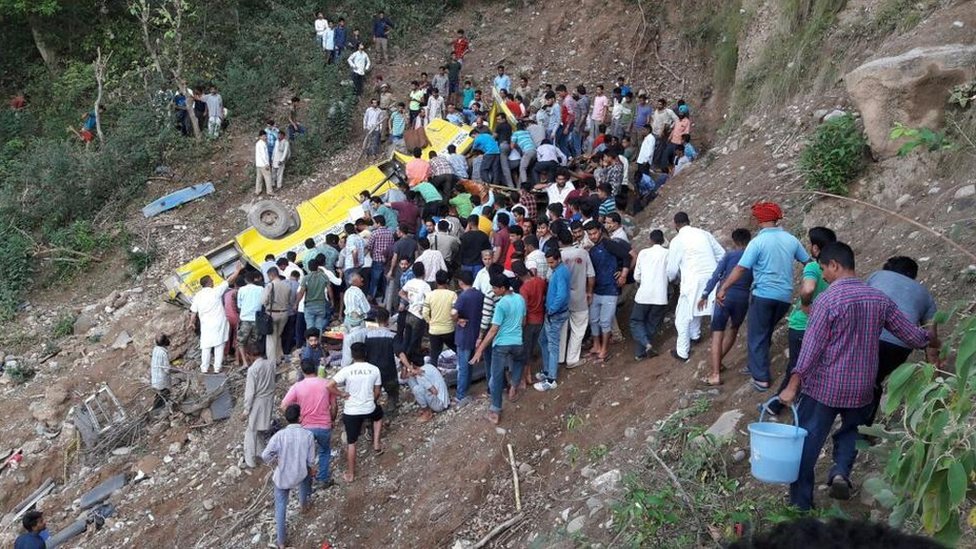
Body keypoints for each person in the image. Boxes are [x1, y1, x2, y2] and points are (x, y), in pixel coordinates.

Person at [777, 242, 939, 511]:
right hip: (862, 386)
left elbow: (811, 347)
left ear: (835, 265)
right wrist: (932, 339)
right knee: (852, 432)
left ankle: (800, 503)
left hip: (825, 387)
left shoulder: (827, 300)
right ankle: (840, 472)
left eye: (824, 269)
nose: (824, 276)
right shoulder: (878, 299)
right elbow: (912, 335)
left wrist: (793, 384)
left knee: (807, 442)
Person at [718, 202, 810, 391]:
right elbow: (807, 262)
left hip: (763, 295)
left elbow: (741, 268)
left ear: (760, 220)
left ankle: (761, 378)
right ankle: (754, 365)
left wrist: (724, 288)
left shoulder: (758, 242)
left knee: (756, 334)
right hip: (784, 297)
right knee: (765, 330)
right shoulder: (791, 240)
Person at [766, 227, 836, 412]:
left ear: (815, 248)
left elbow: (808, 288)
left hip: (801, 325)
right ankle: (786, 402)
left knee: (797, 366)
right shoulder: (835, 271)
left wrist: (806, 304)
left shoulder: (813, 267)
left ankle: (778, 404)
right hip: (820, 326)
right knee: (802, 366)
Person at [865, 256, 938, 423]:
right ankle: (863, 429)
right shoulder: (925, 294)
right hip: (899, 346)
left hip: (868, 337)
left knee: (863, 378)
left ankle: (854, 427)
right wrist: (934, 375)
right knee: (874, 380)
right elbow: (932, 338)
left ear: (888, 268)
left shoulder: (877, 276)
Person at [695, 228, 754, 386]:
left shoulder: (729, 256)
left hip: (724, 296)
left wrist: (705, 295)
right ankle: (719, 362)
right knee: (733, 330)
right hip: (743, 298)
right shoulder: (753, 257)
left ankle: (715, 373)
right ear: (750, 240)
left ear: (734, 241)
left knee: (717, 333)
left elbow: (716, 275)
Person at [666, 212, 724, 363]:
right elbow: (721, 254)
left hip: (692, 281)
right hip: (712, 279)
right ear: (689, 221)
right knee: (705, 308)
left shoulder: (677, 241)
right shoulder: (704, 234)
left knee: (682, 317)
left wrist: (673, 278)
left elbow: (671, 270)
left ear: (675, 225)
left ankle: (682, 352)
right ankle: (696, 335)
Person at [471, 274, 526, 424]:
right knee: (519, 362)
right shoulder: (520, 299)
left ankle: (495, 411)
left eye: (495, 288)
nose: (493, 291)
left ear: (502, 288)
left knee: (496, 377)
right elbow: (523, 321)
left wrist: (480, 349)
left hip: (501, 344)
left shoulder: (501, 304)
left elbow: (493, 329)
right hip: (518, 342)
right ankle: (514, 387)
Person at [327, 342, 384, 482]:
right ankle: (376, 443)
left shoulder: (347, 370)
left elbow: (329, 385)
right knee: (379, 415)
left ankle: (351, 474)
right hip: (369, 408)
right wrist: (371, 400)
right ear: (365, 354)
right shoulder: (374, 369)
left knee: (351, 442)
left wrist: (341, 394)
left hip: (351, 410)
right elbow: (377, 391)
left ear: (352, 355)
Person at [262, 403, 316, 549]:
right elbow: (310, 460)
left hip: (283, 476)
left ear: (287, 418)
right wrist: (311, 469)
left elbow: (265, 455)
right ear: (300, 417)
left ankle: (281, 542)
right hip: (300, 472)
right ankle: (304, 504)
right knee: (306, 477)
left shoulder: (279, 436)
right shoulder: (308, 435)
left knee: (280, 507)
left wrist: (275, 461)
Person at [281, 360, 337, 488]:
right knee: (324, 451)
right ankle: (322, 479)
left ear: (302, 371)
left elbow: (283, 405)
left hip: (305, 426)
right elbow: (334, 406)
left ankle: (305, 482)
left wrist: (297, 418)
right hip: (324, 425)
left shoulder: (297, 386)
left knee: (305, 454)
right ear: (316, 369)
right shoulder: (327, 384)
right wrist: (332, 420)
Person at [585, 221, 630, 362]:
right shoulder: (592, 250)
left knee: (605, 321)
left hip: (610, 289)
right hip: (598, 289)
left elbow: (627, 256)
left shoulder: (608, 244)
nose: (593, 236)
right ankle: (596, 346)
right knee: (594, 319)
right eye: (590, 234)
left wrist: (623, 274)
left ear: (600, 231)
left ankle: (604, 350)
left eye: (595, 233)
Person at [189, 263, 243, 373]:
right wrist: (237, 271)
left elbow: (193, 312)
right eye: (212, 281)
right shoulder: (215, 292)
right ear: (209, 283)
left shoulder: (197, 296)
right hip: (218, 323)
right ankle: (217, 368)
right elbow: (229, 280)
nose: (213, 282)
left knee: (206, 346)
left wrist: (192, 322)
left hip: (206, 325)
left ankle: (204, 368)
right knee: (219, 345)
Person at [558, 228, 595, 369]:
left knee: (561, 328)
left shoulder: (558, 257)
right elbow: (591, 275)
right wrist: (589, 292)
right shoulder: (583, 253)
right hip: (580, 297)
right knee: (578, 329)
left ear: (559, 241)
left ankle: (560, 357)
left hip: (563, 299)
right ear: (572, 238)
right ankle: (572, 359)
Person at [534, 247, 570, 392]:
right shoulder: (559, 270)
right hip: (553, 313)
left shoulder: (560, 273)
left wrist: (551, 310)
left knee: (553, 346)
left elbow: (561, 295)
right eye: (548, 263)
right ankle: (547, 370)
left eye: (552, 262)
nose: (550, 265)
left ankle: (551, 379)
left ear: (558, 259)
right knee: (542, 340)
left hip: (555, 314)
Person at [630, 229, 669, 361]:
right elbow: (672, 273)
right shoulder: (667, 253)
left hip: (644, 295)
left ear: (650, 240)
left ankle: (645, 345)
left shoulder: (643, 253)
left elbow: (636, 276)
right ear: (663, 240)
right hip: (661, 296)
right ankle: (640, 353)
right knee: (651, 324)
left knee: (636, 322)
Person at [452, 271, 484, 405]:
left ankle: (460, 394)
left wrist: (457, 320)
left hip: (464, 335)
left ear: (461, 282)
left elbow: (453, 313)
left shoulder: (463, 297)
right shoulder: (480, 295)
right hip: (476, 333)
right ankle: (466, 389)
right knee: (470, 364)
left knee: (463, 366)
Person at [242, 342, 275, 469]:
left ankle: (250, 460)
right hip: (268, 400)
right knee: (260, 431)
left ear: (249, 355)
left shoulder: (253, 370)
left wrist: (246, 410)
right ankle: (263, 454)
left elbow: (250, 392)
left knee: (251, 432)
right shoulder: (270, 364)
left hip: (257, 402)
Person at [514, 260, 546, 388]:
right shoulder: (540, 281)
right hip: (540, 318)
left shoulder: (524, 289)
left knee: (525, 350)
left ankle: (526, 376)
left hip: (529, 321)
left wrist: (521, 325)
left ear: (517, 275)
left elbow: (524, 310)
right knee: (533, 347)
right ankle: (533, 373)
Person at [402, 350, 450, 422]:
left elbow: (434, 391)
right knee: (411, 379)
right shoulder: (429, 366)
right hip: (443, 401)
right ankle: (426, 407)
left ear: (412, 364)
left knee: (417, 389)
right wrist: (405, 367)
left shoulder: (420, 374)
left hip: (440, 405)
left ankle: (426, 412)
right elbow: (404, 377)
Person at [297, 257, 337, 334]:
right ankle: (317, 343)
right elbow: (329, 290)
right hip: (321, 305)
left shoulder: (306, 278)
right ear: (317, 267)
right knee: (319, 328)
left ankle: (310, 344)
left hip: (309, 306)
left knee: (310, 328)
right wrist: (332, 301)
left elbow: (301, 292)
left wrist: (296, 303)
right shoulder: (324, 276)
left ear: (308, 267)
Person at [424, 270, 458, 361]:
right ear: (447, 281)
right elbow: (455, 312)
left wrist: (430, 322)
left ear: (436, 281)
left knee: (434, 355)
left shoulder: (429, 295)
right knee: (457, 349)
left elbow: (425, 313)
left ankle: (434, 372)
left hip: (434, 330)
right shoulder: (452, 295)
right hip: (448, 329)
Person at [263, 268, 293, 364]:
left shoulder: (270, 286)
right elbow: (289, 301)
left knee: (271, 338)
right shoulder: (287, 286)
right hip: (284, 314)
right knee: (278, 336)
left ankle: (272, 362)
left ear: (271, 275)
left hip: (272, 314)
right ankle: (279, 357)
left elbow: (264, 301)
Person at [150, 333, 172, 410]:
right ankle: (161, 410)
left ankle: (156, 409)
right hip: (162, 381)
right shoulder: (164, 353)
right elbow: (167, 369)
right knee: (164, 397)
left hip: (155, 379)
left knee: (159, 396)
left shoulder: (155, 349)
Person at [254, 130, 273, 195]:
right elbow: (263, 155)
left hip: (258, 164)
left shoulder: (257, 143)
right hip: (263, 164)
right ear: (260, 136)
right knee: (268, 177)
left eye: (266, 136)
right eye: (264, 136)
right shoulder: (262, 144)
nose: (266, 137)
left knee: (259, 178)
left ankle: (257, 191)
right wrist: (266, 164)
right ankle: (269, 191)